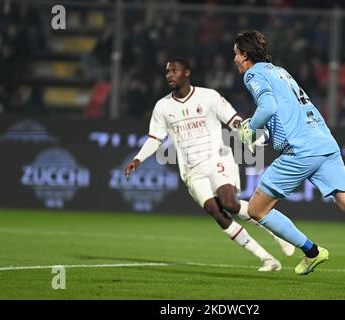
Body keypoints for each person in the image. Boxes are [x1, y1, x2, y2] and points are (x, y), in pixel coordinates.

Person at [233, 30, 345, 291]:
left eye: (236, 54)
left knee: (256, 210)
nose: (235, 60)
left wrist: (250, 128)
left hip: (298, 149)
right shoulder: (280, 71)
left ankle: (311, 252)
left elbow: (269, 107)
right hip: (324, 141)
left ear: (246, 55)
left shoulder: (253, 74)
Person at [124, 58, 295, 271]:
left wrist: (251, 137)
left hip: (217, 158)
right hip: (191, 170)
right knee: (218, 213)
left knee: (230, 204)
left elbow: (233, 120)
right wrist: (138, 159)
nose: (169, 75)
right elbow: (155, 138)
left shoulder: (209, 97)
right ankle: (267, 259)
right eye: (167, 72)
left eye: (174, 71)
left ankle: (279, 235)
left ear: (187, 72)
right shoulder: (163, 106)